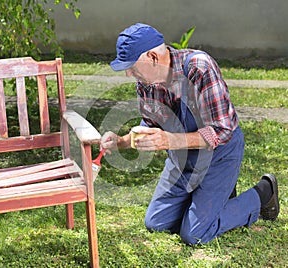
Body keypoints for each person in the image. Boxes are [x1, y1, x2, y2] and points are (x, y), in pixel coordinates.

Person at [100, 23, 280, 244]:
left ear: (153, 58)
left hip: (219, 155)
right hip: (183, 160)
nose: (128, 74)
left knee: (194, 234)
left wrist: (170, 140)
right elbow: (148, 126)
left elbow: (222, 130)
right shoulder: (146, 83)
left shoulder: (198, 67)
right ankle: (214, 198)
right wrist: (119, 141)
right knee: (156, 223)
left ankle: (262, 194)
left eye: (131, 66)